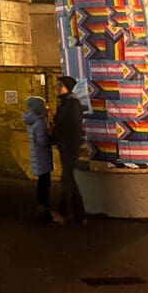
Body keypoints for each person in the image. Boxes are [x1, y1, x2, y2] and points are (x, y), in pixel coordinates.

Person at [51, 74, 86, 226]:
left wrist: (58, 136)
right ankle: (77, 215)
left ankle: (66, 213)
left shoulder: (71, 105)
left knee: (67, 179)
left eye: (60, 85)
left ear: (67, 87)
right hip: (67, 146)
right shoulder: (65, 103)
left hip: (69, 147)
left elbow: (70, 125)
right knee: (69, 179)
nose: (57, 88)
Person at [23, 95, 53, 222]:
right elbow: (42, 141)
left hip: (36, 154)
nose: (46, 108)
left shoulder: (31, 120)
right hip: (42, 156)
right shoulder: (39, 123)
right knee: (45, 183)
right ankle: (43, 209)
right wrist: (51, 137)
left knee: (42, 182)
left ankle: (41, 207)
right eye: (44, 106)